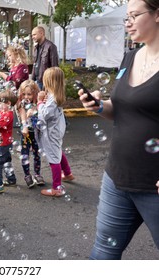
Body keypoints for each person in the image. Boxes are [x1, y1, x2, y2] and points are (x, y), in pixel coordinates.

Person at [79, 0, 159, 260]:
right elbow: (122, 109)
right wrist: (99, 106)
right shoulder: (130, 56)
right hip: (117, 178)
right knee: (103, 252)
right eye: (127, 17)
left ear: (157, 15)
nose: (128, 22)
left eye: (135, 15)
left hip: (154, 186)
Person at [36, 67, 74, 197]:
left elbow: (45, 115)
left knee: (53, 158)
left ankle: (56, 188)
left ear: (49, 82)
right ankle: (68, 173)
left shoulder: (52, 99)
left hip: (52, 133)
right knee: (57, 151)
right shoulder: (55, 96)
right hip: (57, 131)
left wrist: (39, 103)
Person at [17, 80, 45, 187]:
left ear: (35, 93)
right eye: (24, 94)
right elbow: (23, 115)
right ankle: (27, 175)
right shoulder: (22, 104)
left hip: (37, 133)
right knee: (25, 155)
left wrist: (35, 111)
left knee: (36, 154)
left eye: (29, 94)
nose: (26, 96)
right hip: (26, 133)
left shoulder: (38, 104)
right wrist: (24, 126)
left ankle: (37, 174)